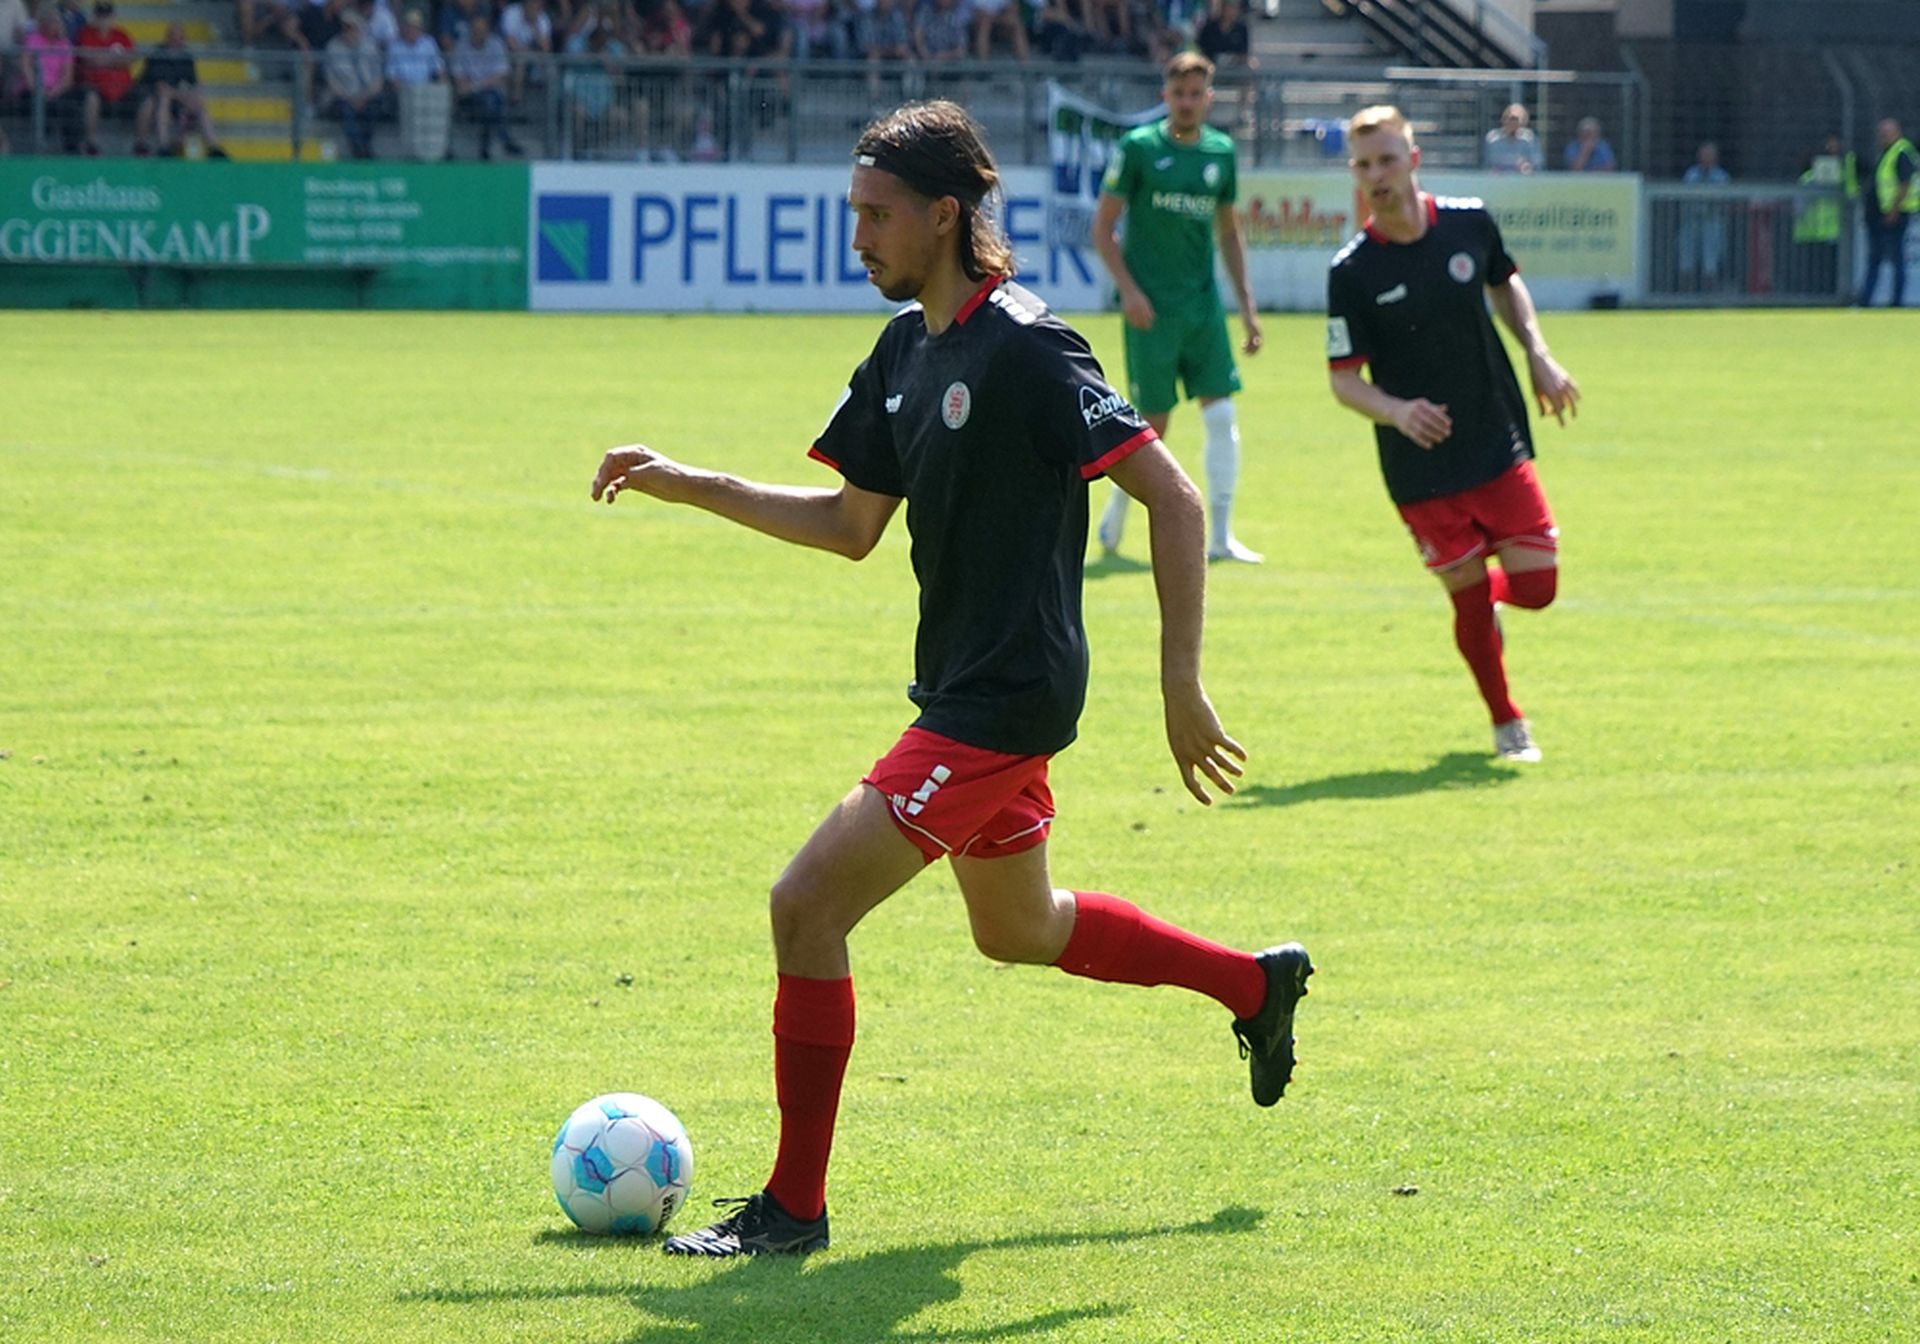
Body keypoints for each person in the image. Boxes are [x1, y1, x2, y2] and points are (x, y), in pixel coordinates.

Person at [589, 99, 1313, 1258]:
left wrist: (1181, 684)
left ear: (943, 215)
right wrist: (692, 482)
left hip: (1003, 699)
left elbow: (1173, 500)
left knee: (804, 906)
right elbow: (850, 523)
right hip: (968, 688)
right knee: (1020, 927)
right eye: (854, 214)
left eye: (876, 216)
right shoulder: (902, 352)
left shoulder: (1027, 344)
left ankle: (793, 1208)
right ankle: (1253, 987)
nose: (858, 237)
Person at [1326, 105, 1580, 763]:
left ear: (1413, 159)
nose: (1377, 175)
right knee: (1466, 599)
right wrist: (1396, 410)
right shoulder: (1351, 271)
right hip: (1421, 465)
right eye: (1363, 165)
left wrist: (1538, 352)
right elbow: (1344, 380)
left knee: (1538, 588)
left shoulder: (1469, 222)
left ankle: (1487, 605)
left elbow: (1507, 283)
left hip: (1495, 437)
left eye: (1387, 159)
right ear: (1354, 174)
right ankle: (1507, 722)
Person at [1093, 51, 1263, 565]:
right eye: (1178, 93)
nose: (1187, 103)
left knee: (1222, 413)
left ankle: (1222, 536)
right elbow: (1103, 228)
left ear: (1209, 98)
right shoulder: (1139, 148)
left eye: (1195, 94)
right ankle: (1119, 506)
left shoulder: (1220, 152)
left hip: (1202, 308)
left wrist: (1247, 308)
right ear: (1164, 96)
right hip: (1152, 311)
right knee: (1153, 423)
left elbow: (1229, 232)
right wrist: (1129, 292)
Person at [134, 21, 227, 155]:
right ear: (168, 36)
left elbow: (194, 82)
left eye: (180, 37)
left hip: (176, 97)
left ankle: (214, 146)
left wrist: (194, 94)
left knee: (199, 103)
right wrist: (181, 95)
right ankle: (163, 146)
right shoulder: (157, 55)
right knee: (164, 99)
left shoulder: (186, 57)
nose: (177, 39)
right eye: (174, 36)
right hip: (153, 96)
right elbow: (161, 87)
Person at [1857, 117, 1917, 308]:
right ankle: (1866, 300)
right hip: (1880, 214)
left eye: (1886, 133)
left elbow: (1905, 183)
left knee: (1896, 258)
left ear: (1897, 132)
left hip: (1893, 214)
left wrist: (1894, 209)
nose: (1883, 137)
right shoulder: (1887, 153)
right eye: (1881, 133)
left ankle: (1896, 301)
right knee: (1875, 258)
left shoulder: (1901, 152)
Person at [449, 12, 522, 157]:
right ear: (471, 30)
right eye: (476, 29)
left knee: (491, 102)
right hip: (469, 96)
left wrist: (476, 84)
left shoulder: (496, 45)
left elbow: (502, 75)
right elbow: (458, 79)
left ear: (488, 30)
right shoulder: (461, 47)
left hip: (489, 92)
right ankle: (503, 141)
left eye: (482, 30)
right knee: (491, 103)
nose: (479, 33)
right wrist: (481, 84)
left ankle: (487, 147)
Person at [74, 0, 135, 155]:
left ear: (113, 17)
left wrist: (105, 60)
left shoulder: (122, 35)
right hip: (95, 85)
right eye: (100, 16)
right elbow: (90, 59)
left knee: (146, 99)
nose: (104, 20)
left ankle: (141, 145)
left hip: (121, 88)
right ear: (94, 16)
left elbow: (129, 60)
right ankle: (91, 142)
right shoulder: (85, 33)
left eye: (107, 16)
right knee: (91, 98)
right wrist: (115, 61)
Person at [323, 8, 385, 157]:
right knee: (345, 110)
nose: (349, 31)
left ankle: (366, 145)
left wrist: (365, 96)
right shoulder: (333, 47)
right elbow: (331, 80)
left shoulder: (370, 47)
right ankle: (358, 148)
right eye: (346, 27)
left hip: (368, 95)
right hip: (344, 95)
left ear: (359, 28)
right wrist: (350, 98)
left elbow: (378, 78)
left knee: (376, 105)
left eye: (352, 27)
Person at [1677, 140, 1729, 290]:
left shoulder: (1721, 176)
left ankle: (1710, 292)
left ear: (1715, 157)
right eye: (1703, 154)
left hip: (1712, 221)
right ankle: (1686, 292)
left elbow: (1724, 199)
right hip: (1691, 220)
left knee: (1710, 260)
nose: (1706, 157)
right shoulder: (1691, 174)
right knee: (1686, 257)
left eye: (1709, 154)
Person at [1482, 103, 1540, 174]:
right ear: (1503, 119)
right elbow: (1489, 164)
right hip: (1498, 178)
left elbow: (1537, 163)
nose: (1512, 122)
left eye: (1516, 119)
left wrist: (1526, 166)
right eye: (1510, 118)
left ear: (1523, 121)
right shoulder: (1493, 138)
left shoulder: (1529, 138)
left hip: (1521, 178)